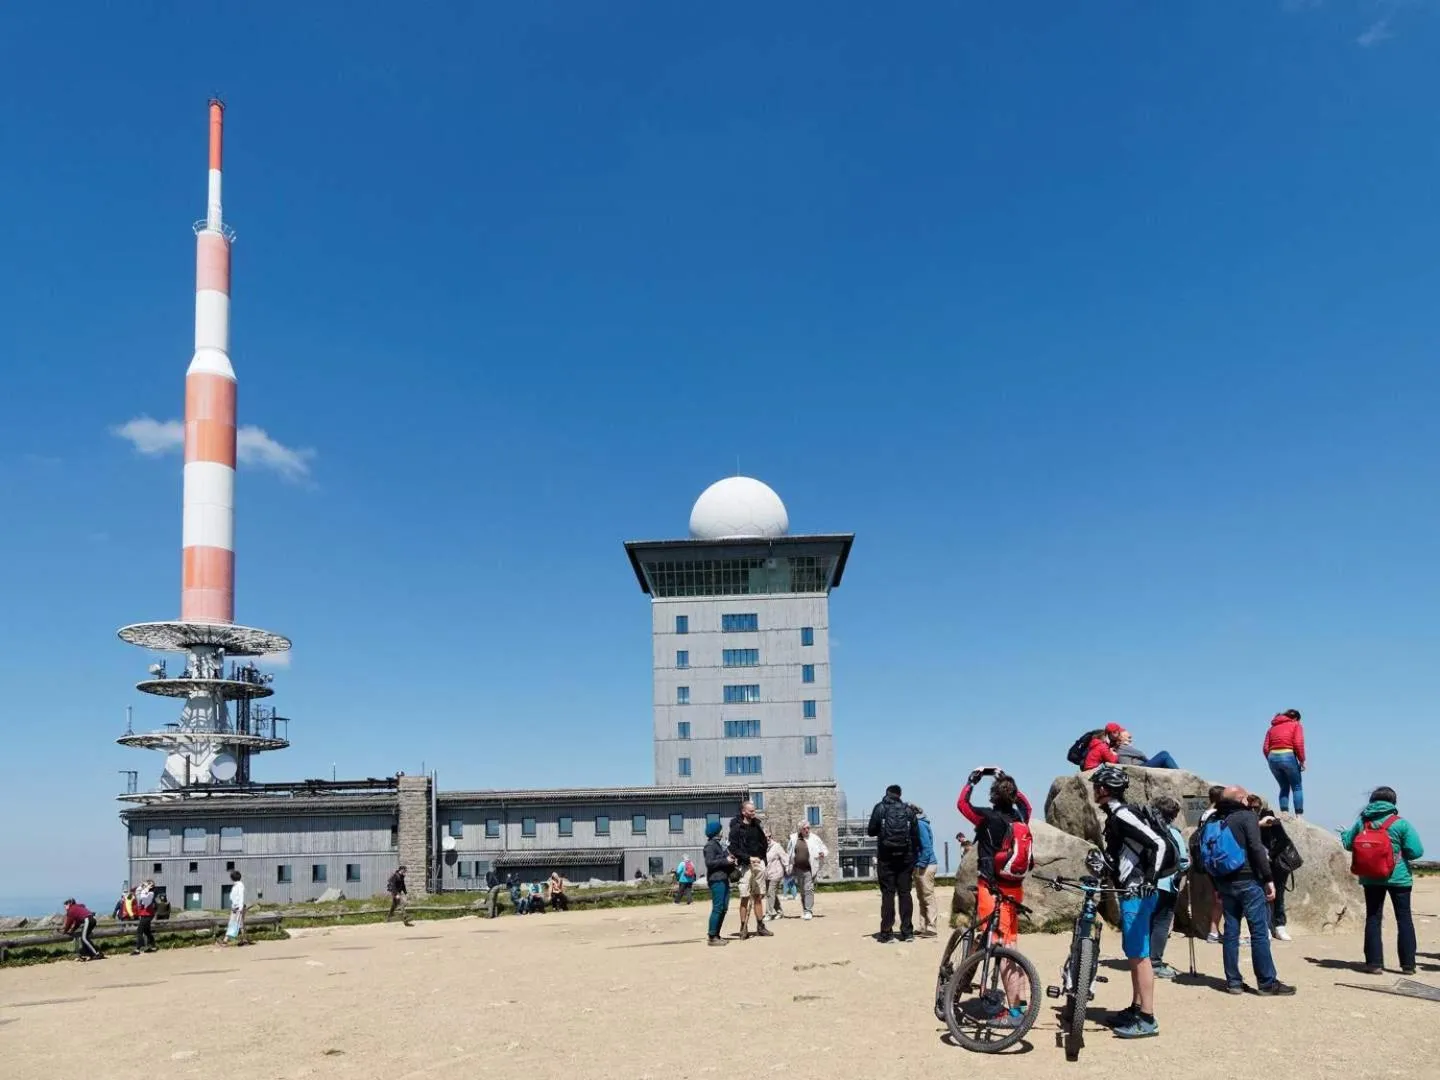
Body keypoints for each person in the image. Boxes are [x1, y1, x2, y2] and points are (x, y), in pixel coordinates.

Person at [1090, 764, 1165, 1039]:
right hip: (1130, 892)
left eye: (1096, 786)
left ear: (1104, 789)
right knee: (1134, 954)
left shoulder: (1122, 815)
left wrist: (1150, 880)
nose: (1094, 791)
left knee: (1140, 955)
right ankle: (1136, 1008)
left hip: (1137, 893)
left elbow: (1159, 843)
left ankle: (1147, 1017)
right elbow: (1121, 856)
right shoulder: (1115, 816)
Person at [957, 766, 1034, 1027]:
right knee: (1009, 941)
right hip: (1015, 887)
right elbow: (1027, 805)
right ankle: (1018, 1002)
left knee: (1000, 946)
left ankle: (1015, 1011)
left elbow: (962, 805)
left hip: (990, 887)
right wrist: (1004, 777)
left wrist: (972, 780)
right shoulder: (1020, 818)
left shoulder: (986, 817)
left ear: (992, 797)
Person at [1203, 786, 1296, 996]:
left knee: (1231, 931)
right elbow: (1255, 848)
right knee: (1259, 932)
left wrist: (1216, 884)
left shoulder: (1213, 819)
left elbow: (1206, 852)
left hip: (1224, 881)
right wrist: (1268, 879)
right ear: (1241, 799)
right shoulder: (1246, 816)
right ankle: (1266, 983)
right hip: (1247, 880)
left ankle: (1233, 982)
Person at [1341, 786, 1425, 975]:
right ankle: (1408, 965)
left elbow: (1348, 844)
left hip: (1370, 878)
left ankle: (1374, 963)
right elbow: (1417, 851)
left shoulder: (1362, 822)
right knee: (1404, 919)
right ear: (1393, 802)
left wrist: (1344, 834)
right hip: (1399, 878)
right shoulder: (1401, 824)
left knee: (1373, 918)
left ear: (1372, 801)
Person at [867, 784, 920, 942]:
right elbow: (916, 836)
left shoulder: (880, 808)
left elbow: (870, 830)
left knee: (888, 894)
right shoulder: (908, 810)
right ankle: (907, 931)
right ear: (900, 794)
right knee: (905, 894)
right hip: (905, 858)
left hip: (886, 857)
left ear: (887, 794)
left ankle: (887, 932)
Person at [1148, 795, 1190, 979]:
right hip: (1167, 884)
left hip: (1145, 884)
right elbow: (1183, 861)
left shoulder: (1145, 830)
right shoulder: (1173, 834)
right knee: (1161, 923)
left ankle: (1142, 959)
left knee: (1147, 921)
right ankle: (1155, 963)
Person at [1247, 794, 1294, 941]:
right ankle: (1266, 927)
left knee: (1278, 895)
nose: (1253, 810)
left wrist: (1269, 855)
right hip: (1257, 864)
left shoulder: (1270, 820)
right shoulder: (1247, 821)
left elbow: (1283, 840)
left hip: (1275, 864)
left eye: (1256, 807)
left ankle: (1279, 926)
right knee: (1261, 896)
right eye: (1250, 808)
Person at [727, 801, 772, 939]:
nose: (753, 813)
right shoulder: (736, 828)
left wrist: (763, 858)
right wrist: (749, 858)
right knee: (745, 897)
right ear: (744, 812)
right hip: (744, 866)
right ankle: (743, 927)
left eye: (754, 811)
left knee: (758, 896)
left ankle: (760, 926)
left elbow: (763, 844)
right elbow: (733, 849)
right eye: (751, 811)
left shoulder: (757, 825)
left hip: (759, 865)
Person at [1193, 785, 1226, 943]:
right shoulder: (1216, 816)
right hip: (1216, 862)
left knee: (1218, 898)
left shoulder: (1205, 814)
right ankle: (1213, 931)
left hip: (1207, 861)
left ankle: (1214, 931)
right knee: (1221, 898)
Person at [1262, 709, 1306, 817]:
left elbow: (1265, 748)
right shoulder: (1295, 725)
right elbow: (1298, 743)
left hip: (1272, 757)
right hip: (1288, 754)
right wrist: (1302, 760)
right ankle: (1298, 816)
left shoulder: (1272, 728)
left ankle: (1284, 813)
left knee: (1283, 786)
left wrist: (1271, 760)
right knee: (1297, 786)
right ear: (1295, 718)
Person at [785, 820, 828, 920]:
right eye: (804, 828)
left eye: (808, 828)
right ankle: (805, 910)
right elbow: (789, 853)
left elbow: (825, 849)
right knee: (803, 890)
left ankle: (809, 910)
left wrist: (823, 853)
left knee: (809, 889)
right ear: (800, 829)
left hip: (810, 868)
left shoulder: (815, 838)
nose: (807, 830)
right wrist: (788, 866)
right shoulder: (793, 838)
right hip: (798, 868)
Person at [703, 819, 736, 946]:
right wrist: (725, 860)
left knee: (723, 908)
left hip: (723, 878)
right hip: (716, 879)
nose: (722, 831)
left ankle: (717, 934)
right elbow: (709, 863)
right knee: (718, 908)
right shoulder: (710, 846)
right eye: (720, 829)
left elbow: (720, 859)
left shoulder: (717, 844)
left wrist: (729, 859)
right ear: (716, 832)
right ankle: (712, 936)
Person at [912, 807, 940, 937]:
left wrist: (921, 864)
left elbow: (927, 847)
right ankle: (923, 926)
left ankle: (931, 927)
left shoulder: (920, 825)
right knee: (921, 897)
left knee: (927, 896)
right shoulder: (920, 824)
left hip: (925, 865)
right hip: (922, 863)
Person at [1114, 729, 1180, 770]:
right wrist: (1148, 761)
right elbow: (1141, 754)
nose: (1130, 739)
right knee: (1164, 754)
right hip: (1139, 768)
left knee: (1164, 758)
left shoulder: (1121, 748)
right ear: (1121, 738)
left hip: (1138, 767)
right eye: (1128, 737)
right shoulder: (1123, 747)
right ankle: (1180, 774)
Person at [764, 832, 787, 920]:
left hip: (776, 873)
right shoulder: (762, 847)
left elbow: (784, 857)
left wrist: (788, 868)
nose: (768, 838)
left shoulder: (776, 846)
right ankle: (779, 911)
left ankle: (768, 914)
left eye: (769, 836)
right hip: (767, 874)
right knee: (771, 893)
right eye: (766, 837)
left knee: (770, 892)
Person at [132, 880, 158, 954]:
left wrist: (146, 888)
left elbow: (143, 897)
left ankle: (138, 948)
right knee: (147, 931)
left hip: (147, 915)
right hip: (145, 914)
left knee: (139, 931)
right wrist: (142, 885)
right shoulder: (146, 892)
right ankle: (153, 947)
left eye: (148, 884)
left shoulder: (151, 893)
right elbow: (137, 891)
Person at [221, 870, 246, 946]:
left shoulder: (239, 885)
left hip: (238, 907)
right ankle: (244, 939)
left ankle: (226, 940)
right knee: (240, 923)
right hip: (235, 907)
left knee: (233, 923)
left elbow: (241, 896)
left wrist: (240, 907)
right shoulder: (236, 885)